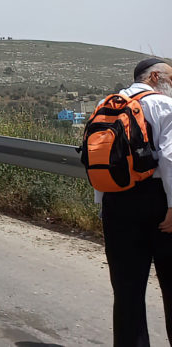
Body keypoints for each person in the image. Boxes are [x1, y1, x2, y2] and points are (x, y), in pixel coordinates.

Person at [97, 58, 172, 346]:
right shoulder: (164, 105)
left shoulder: (108, 103)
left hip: (116, 203)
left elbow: (101, 159)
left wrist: (104, 204)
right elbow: (169, 159)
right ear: (155, 76)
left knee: (127, 293)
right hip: (158, 201)